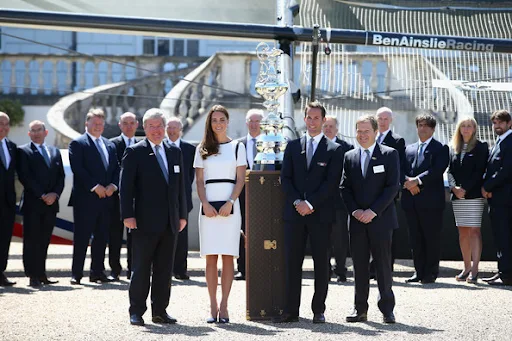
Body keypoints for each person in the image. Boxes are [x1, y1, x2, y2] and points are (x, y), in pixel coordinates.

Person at [276, 102, 343, 324]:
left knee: (321, 264)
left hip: (320, 215)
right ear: (304, 119)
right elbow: (285, 179)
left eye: (317, 118)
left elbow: (331, 183)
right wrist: (297, 201)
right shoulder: (293, 147)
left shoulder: (334, 150)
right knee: (291, 263)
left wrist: (310, 204)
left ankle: (318, 310)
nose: (312, 122)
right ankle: (289, 310)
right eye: (309, 117)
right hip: (294, 214)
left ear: (324, 121)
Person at [120, 108, 187, 326]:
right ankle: (136, 311)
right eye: (152, 126)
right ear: (144, 128)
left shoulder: (174, 151)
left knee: (164, 269)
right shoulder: (135, 152)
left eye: (160, 126)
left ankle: (160, 311)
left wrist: (182, 214)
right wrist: (127, 215)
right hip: (143, 221)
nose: (156, 130)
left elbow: (180, 188)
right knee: (140, 268)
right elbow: (126, 187)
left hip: (170, 221)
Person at [341, 114, 400, 324]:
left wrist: (372, 211)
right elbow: (344, 188)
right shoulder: (349, 156)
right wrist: (356, 211)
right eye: (359, 131)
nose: (362, 135)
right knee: (359, 266)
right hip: (357, 222)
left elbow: (392, 187)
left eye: (366, 131)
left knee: (383, 266)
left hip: (381, 220)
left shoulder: (389, 154)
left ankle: (387, 309)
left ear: (376, 132)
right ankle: (360, 309)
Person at [194, 105, 246, 324]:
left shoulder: (237, 147)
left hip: (230, 206)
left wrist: (230, 202)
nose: (218, 123)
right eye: (214, 120)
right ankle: (212, 304)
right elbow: (199, 180)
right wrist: (205, 203)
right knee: (210, 258)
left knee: (227, 257)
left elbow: (241, 179)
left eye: (222, 119)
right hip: (208, 208)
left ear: (227, 121)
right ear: (210, 122)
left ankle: (225, 305)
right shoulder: (202, 148)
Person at [68, 109, 120, 285]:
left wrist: (113, 186)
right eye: (94, 123)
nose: (98, 126)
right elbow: (78, 168)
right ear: (86, 124)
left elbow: (116, 169)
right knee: (82, 238)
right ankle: (76, 274)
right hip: (86, 199)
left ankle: (97, 272)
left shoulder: (109, 145)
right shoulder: (78, 143)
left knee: (101, 237)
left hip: (106, 199)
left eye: (100, 124)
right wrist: (94, 187)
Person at [402, 113, 449, 284]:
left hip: (431, 203)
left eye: (426, 126)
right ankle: (418, 271)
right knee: (415, 238)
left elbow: (437, 170)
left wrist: (417, 182)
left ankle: (430, 272)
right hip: (411, 201)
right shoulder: (409, 148)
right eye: (420, 125)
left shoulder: (441, 148)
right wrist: (408, 182)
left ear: (433, 129)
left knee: (431, 238)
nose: (422, 129)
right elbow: (401, 169)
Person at [17, 120, 65, 287]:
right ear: (29, 134)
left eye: (39, 130)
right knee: (31, 241)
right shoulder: (23, 151)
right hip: (33, 204)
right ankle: (32, 275)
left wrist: (55, 194)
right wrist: (43, 195)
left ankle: (42, 273)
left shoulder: (54, 151)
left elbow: (61, 177)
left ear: (46, 132)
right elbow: (25, 176)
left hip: (51, 204)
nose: (36, 133)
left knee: (44, 240)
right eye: (33, 131)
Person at [447, 117, 488, 284]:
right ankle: (466, 267)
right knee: (462, 232)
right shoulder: (454, 148)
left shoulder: (481, 147)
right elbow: (449, 171)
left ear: (474, 129)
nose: (466, 129)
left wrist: (465, 189)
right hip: (458, 196)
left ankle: (475, 269)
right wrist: (454, 188)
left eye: (469, 126)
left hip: (473, 196)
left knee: (474, 231)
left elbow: (480, 172)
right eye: (463, 126)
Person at [369, 107, 406, 278]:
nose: (382, 121)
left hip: (387, 194)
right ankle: (371, 268)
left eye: (385, 119)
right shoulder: (368, 137)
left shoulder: (397, 141)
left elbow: (399, 167)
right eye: (380, 118)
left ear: (391, 120)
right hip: (369, 193)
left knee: (386, 233)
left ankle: (385, 268)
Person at [481, 110, 512, 286]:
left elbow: (506, 170)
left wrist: (487, 186)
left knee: (505, 237)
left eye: (501, 122)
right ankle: (503, 271)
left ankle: (506, 274)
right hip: (498, 198)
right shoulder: (500, 142)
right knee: (501, 237)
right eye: (494, 123)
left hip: (505, 200)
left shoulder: (510, 142)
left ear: (509, 123)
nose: (497, 126)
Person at [322, 115, 354, 283]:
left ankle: (341, 270)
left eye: (331, 126)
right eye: (325, 126)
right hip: (320, 201)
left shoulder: (347, 147)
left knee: (340, 238)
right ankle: (324, 270)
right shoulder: (317, 145)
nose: (328, 129)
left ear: (337, 129)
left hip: (340, 201)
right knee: (322, 238)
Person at [109, 112, 139, 280]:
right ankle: (114, 270)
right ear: (120, 125)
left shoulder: (142, 145)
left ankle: (132, 268)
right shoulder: (112, 144)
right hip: (115, 197)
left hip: (136, 199)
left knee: (134, 236)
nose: (128, 126)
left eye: (131, 123)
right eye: (125, 123)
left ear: (136, 124)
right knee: (114, 235)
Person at [235, 108, 264, 281]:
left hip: (264, 193)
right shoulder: (237, 145)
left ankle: (262, 266)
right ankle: (242, 268)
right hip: (243, 194)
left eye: (257, 121)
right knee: (242, 230)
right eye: (250, 121)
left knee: (263, 231)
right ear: (246, 123)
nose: (253, 125)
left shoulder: (272, 144)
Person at [166, 116, 196, 281]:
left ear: (181, 130)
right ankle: (165, 269)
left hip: (183, 199)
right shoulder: (161, 147)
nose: (171, 131)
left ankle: (180, 270)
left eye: (174, 128)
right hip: (163, 200)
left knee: (182, 236)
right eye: (169, 128)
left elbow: (191, 176)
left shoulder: (189, 149)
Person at [0, 112, 17, 287]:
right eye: (0, 123)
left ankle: (1, 272)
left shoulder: (12, 146)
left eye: (6, 124)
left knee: (4, 239)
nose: (3, 127)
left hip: (7, 203)